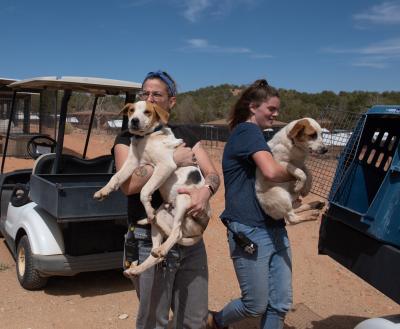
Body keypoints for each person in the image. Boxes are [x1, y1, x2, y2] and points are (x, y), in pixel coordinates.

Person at [114, 70, 220, 329]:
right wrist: (173, 161)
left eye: (157, 94)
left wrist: (205, 191)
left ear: (171, 102)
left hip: (190, 234)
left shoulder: (184, 134)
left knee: (194, 319)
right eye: (145, 93)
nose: (149, 98)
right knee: (154, 321)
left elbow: (213, 174)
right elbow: (127, 185)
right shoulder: (127, 139)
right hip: (149, 236)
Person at [207, 79, 294, 329]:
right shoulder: (248, 132)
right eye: (271, 109)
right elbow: (270, 171)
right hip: (250, 229)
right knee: (255, 304)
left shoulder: (255, 135)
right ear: (253, 107)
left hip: (274, 226)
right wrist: (298, 175)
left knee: (279, 303)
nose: (276, 114)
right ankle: (216, 321)